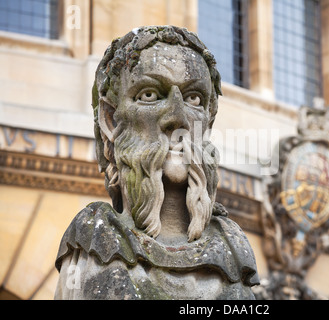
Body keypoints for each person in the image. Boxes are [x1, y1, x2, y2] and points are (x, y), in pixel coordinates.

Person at [54, 26, 259, 300]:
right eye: (150, 95)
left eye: (193, 99)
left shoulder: (234, 251)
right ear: (111, 119)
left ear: (208, 121)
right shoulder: (94, 240)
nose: (178, 118)